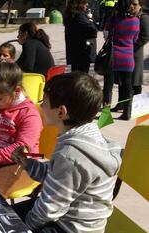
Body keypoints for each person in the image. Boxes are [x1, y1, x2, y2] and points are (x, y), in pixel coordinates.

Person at [12, 72, 122, 233]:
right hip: (66, 215)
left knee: (4, 221)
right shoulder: (81, 138)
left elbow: (50, 206)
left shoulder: (72, 153)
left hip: (71, 227)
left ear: (61, 112)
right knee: (1, 213)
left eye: (45, 102)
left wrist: (24, 227)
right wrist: (27, 163)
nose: (41, 106)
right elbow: (55, 177)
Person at [102, 0, 139, 120]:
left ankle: (106, 114)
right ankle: (127, 112)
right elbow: (135, 38)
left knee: (108, 85)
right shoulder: (135, 21)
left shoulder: (113, 19)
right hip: (128, 57)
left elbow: (106, 34)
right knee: (127, 85)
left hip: (112, 57)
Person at [64, 0, 98, 73]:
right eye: (85, 3)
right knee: (82, 75)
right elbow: (93, 29)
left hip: (74, 51)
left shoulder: (70, 15)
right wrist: (90, 20)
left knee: (76, 74)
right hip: (82, 51)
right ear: (80, 5)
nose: (87, 5)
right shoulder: (79, 16)